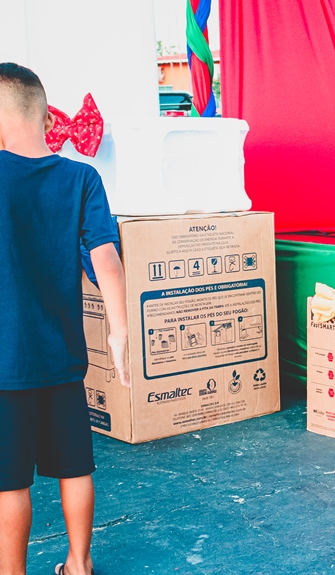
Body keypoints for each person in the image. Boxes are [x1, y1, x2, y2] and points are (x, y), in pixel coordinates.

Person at [0, 63, 129, 575]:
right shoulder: (82, 178)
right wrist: (120, 333)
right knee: (75, 467)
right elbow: (107, 261)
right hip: (63, 359)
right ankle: (79, 563)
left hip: (6, 365)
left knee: (9, 483)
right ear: (46, 118)